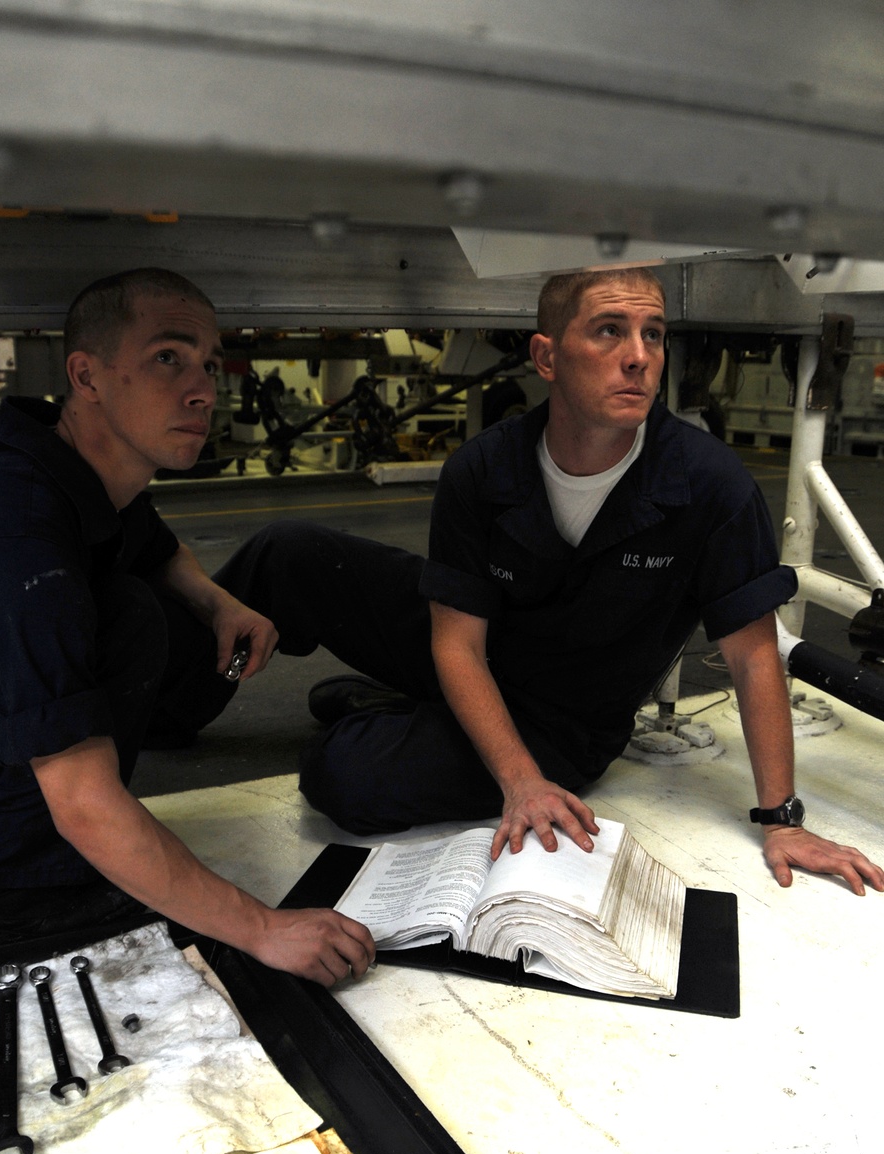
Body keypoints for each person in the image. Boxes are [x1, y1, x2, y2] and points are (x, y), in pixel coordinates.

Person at [216, 266, 883, 896]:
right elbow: (455, 643)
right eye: (609, 330)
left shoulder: (710, 486)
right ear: (546, 357)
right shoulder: (483, 469)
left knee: (342, 777)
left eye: (653, 334)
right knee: (292, 553)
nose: (639, 355)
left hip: (559, 721)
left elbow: (754, 653)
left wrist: (782, 818)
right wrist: (515, 783)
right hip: (471, 646)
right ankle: (152, 715)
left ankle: (387, 715)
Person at [0, 267, 375, 985]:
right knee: (124, 618)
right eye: (167, 358)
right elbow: (80, 799)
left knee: (142, 604)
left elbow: (149, 541)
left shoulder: (69, 473)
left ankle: (26, 848)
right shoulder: (11, 535)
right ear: (86, 375)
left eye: (208, 363)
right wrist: (263, 929)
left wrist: (219, 604)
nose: (204, 388)